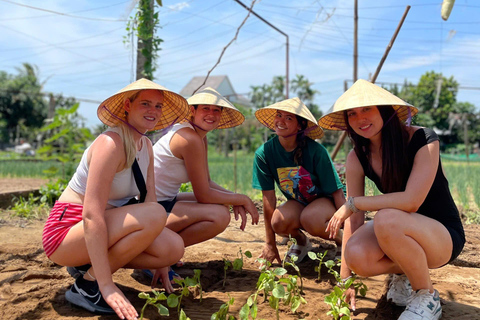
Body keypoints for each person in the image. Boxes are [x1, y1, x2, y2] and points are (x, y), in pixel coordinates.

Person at [42, 78, 190, 320]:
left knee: (172, 248)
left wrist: (162, 262)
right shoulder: (110, 143)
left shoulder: (146, 146)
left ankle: (85, 267)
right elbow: (91, 216)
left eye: (158, 106)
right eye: (145, 103)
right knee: (154, 213)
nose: (153, 111)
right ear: (127, 106)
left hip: (100, 230)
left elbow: (149, 200)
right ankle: (89, 285)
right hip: (66, 234)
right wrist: (107, 284)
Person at [320, 79, 465, 320]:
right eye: (352, 113)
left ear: (385, 110)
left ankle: (427, 296)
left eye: (367, 109)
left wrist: (354, 203)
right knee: (356, 254)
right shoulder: (357, 157)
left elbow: (411, 202)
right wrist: (345, 279)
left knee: (386, 218)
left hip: (442, 237)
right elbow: (353, 220)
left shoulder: (423, 139)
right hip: (400, 230)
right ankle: (405, 272)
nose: (360, 118)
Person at [152, 87, 259, 251]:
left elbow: (207, 182)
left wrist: (233, 198)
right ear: (193, 110)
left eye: (216, 110)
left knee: (222, 206)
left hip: (167, 200)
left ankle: (164, 251)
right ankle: (161, 252)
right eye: (206, 108)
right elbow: (203, 194)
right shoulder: (189, 138)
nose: (211, 114)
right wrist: (242, 199)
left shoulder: (200, 138)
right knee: (219, 215)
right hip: (150, 205)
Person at [252, 97, 345, 265]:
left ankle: (342, 241)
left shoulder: (316, 151)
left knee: (311, 219)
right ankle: (302, 243)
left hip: (326, 203)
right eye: (279, 115)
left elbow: (336, 192)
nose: (281, 121)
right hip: (300, 201)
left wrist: (350, 228)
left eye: (289, 118)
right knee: (278, 222)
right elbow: (268, 199)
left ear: (300, 125)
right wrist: (270, 244)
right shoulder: (264, 154)